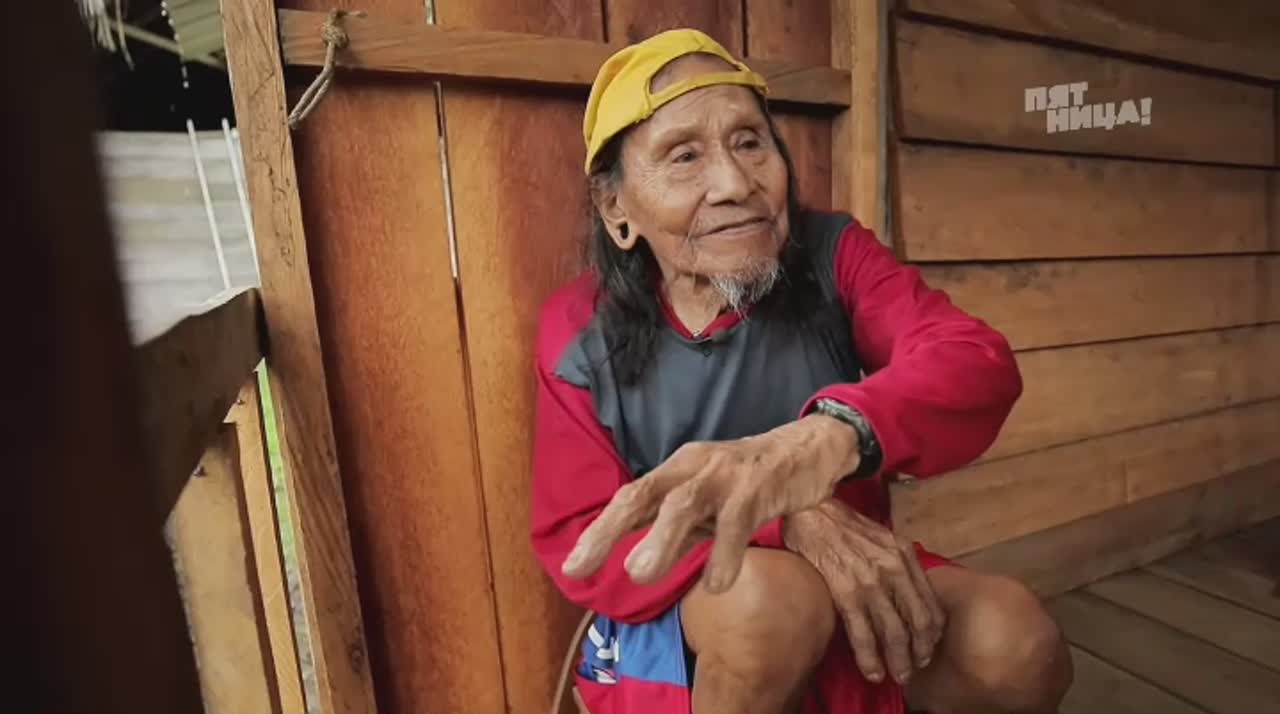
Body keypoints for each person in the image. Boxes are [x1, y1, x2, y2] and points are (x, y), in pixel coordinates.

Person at [530, 29, 1073, 714]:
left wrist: (828, 438)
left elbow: (971, 361)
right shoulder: (580, 330)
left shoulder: (833, 255)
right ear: (618, 210)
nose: (735, 184)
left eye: (750, 142)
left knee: (1016, 642)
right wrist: (783, 517)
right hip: (695, 609)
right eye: (684, 156)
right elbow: (582, 536)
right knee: (771, 608)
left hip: (850, 582)